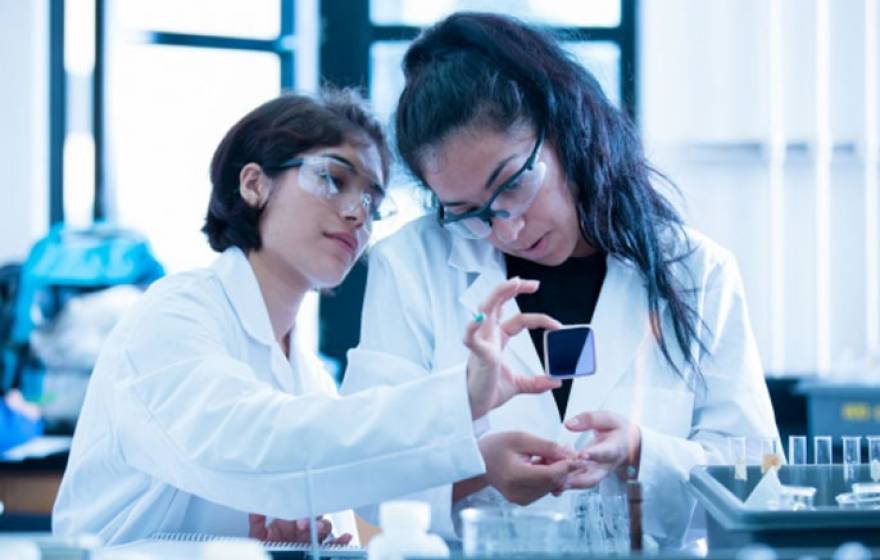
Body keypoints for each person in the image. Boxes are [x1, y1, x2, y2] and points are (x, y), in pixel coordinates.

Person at [52, 90, 586, 545]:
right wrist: (461, 399)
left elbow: (313, 464)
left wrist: (294, 539)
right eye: (333, 179)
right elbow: (249, 444)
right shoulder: (174, 315)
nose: (358, 213)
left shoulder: (307, 373)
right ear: (255, 184)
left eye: (373, 203)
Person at [340, 13, 780, 549]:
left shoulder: (696, 270)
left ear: (565, 130)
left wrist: (644, 451)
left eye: (514, 183)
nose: (507, 227)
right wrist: (475, 471)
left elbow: (758, 479)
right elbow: (360, 473)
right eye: (467, 211)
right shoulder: (410, 264)